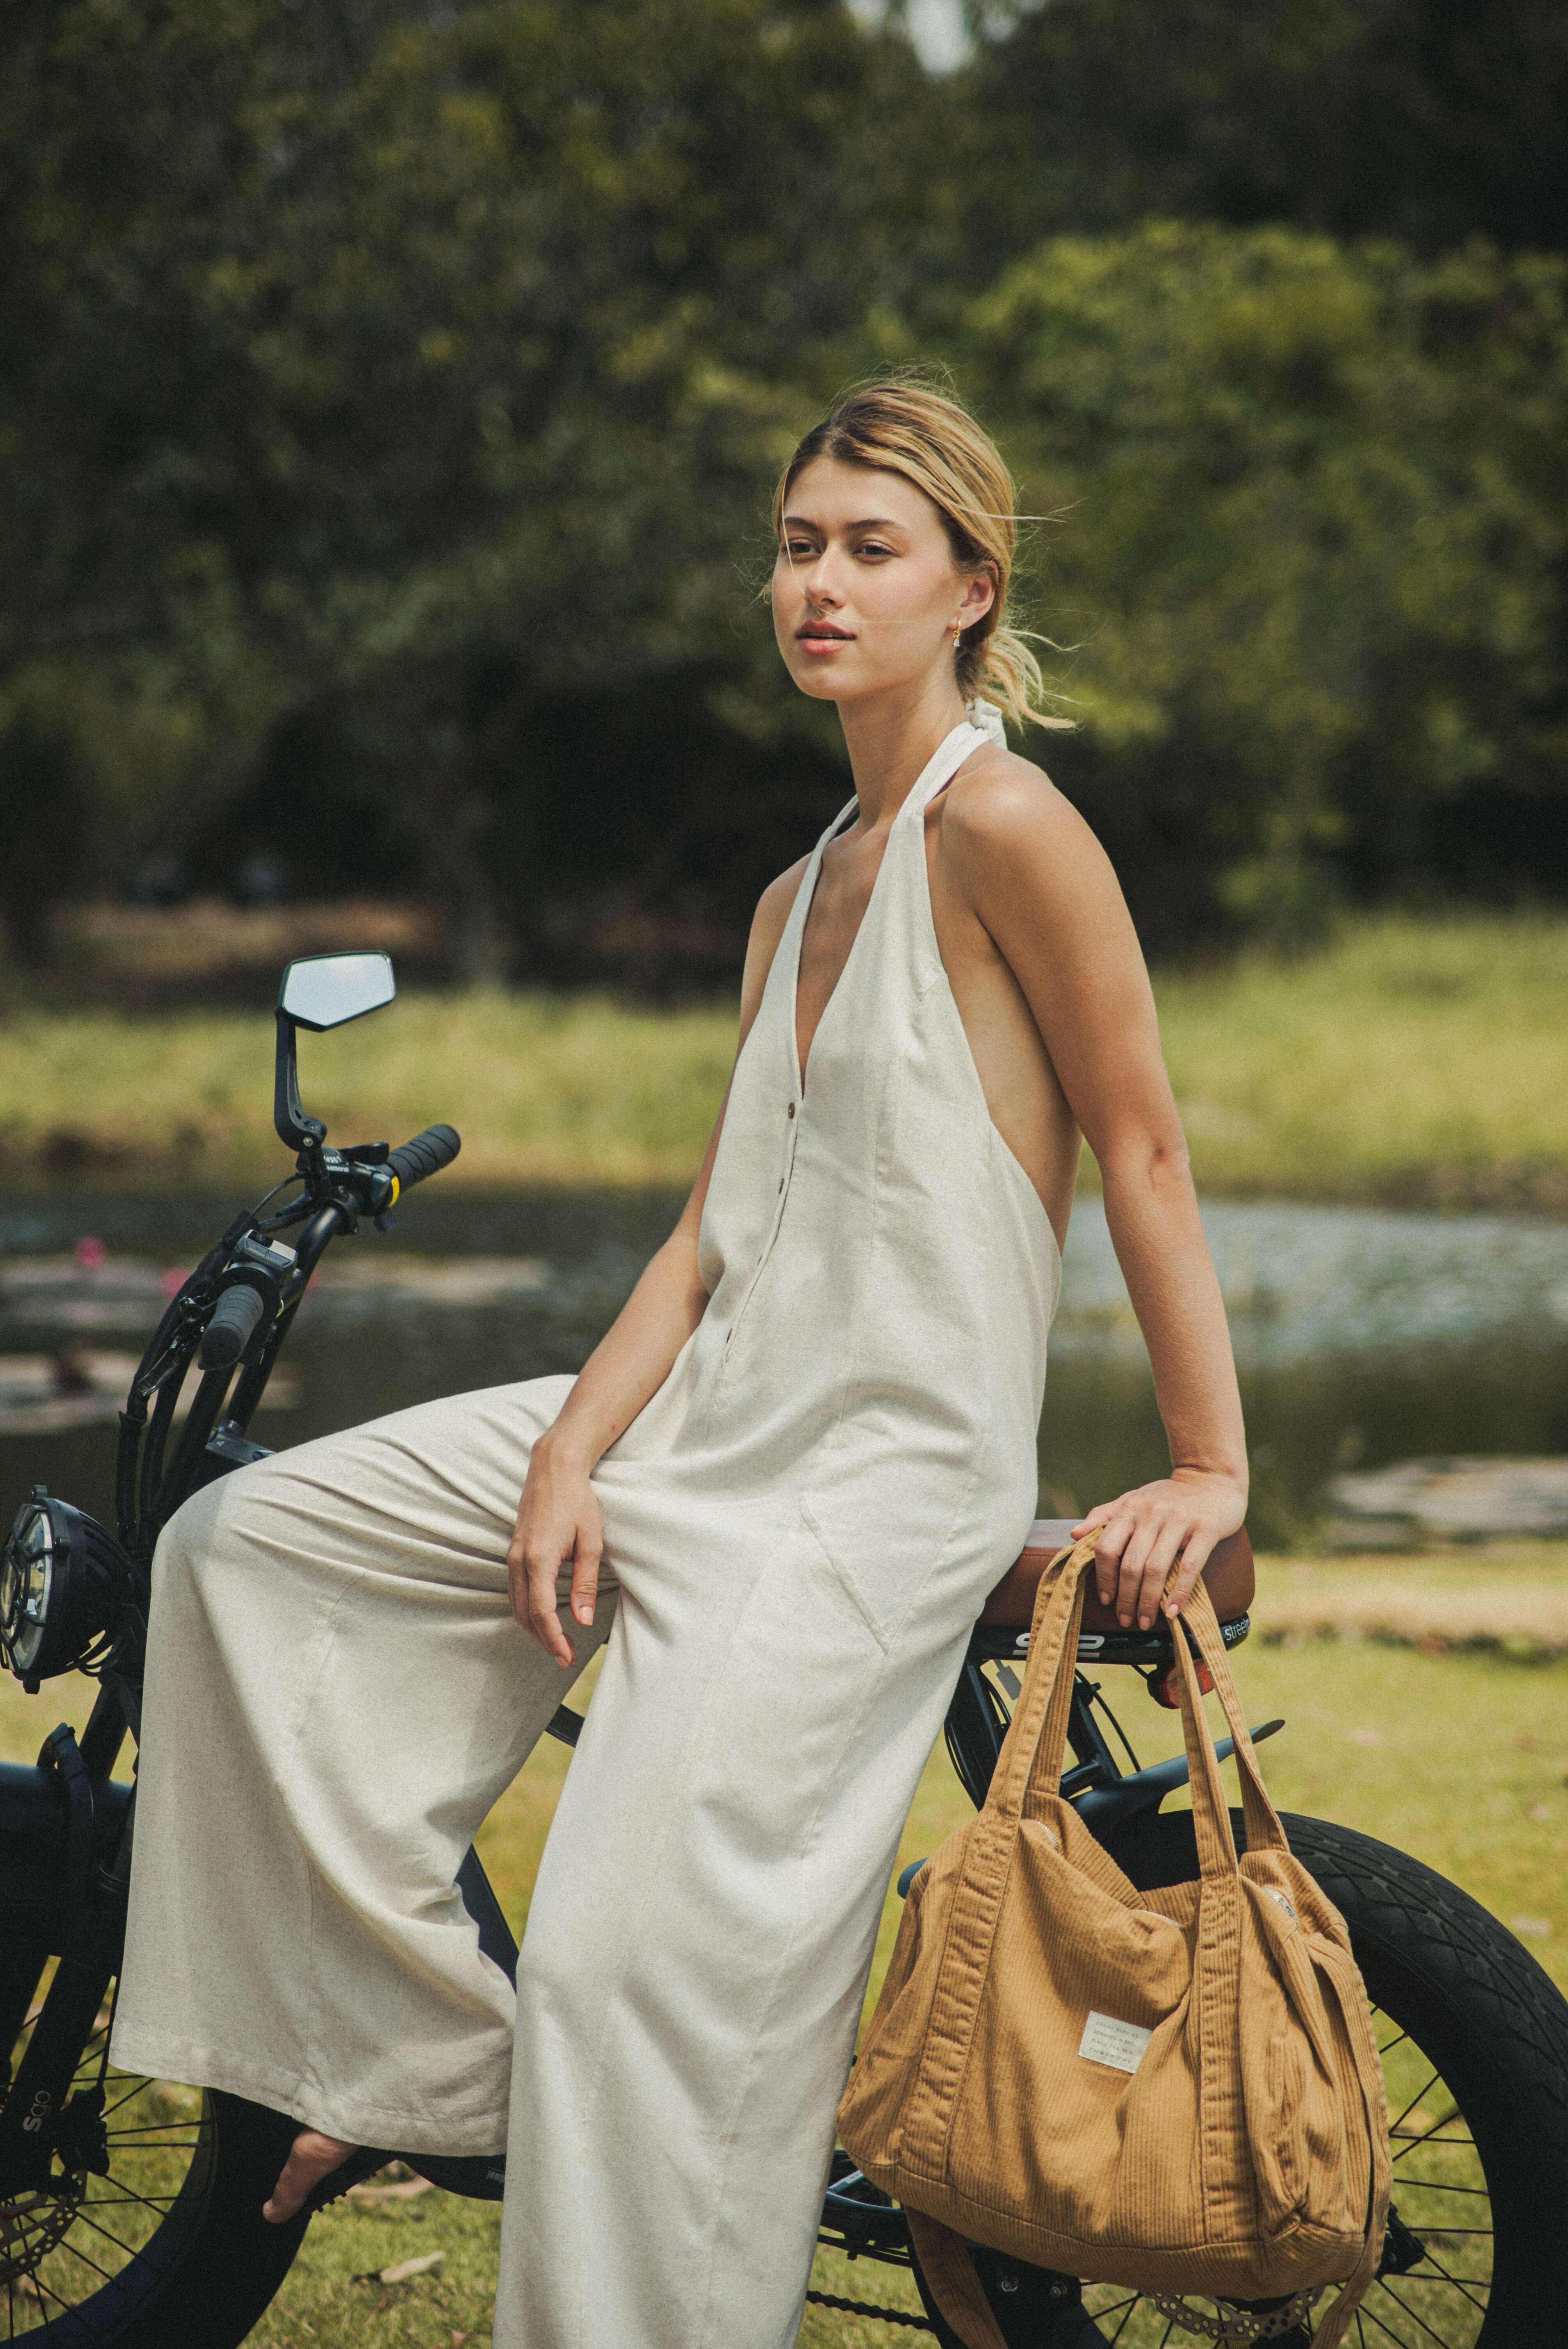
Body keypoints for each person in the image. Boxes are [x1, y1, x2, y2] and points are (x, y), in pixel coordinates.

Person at [110, 380, 1247, 2348]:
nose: (818, 581)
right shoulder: (790, 892)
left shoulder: (1009, 828)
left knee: (632, 1967)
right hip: (707, 1425)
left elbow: (1141, 1150)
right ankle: (438, 2064)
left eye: (867, 548)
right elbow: (701, 1239)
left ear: (967, 587)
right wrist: (566, 1453)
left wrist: (1211, 1468)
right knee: (245, 1553)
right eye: (798, 543)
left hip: (869, 1480)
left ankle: (591, 2120)